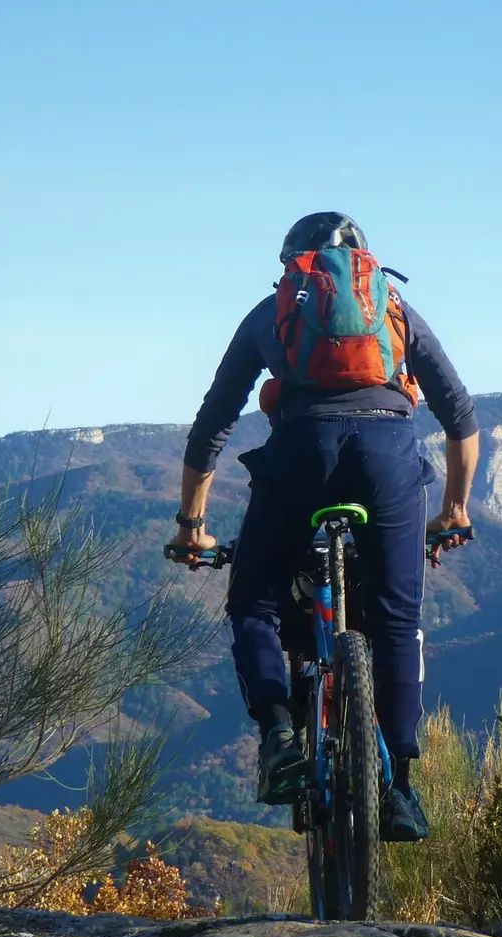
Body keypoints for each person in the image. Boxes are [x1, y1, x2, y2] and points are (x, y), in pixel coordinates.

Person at [168, 211, 480, 842]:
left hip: (300, 456)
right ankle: (399, 789)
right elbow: (461, 417)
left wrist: (191, 525)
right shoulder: (392, 306)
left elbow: (212, 426)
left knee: (254, 600)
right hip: (389, 461)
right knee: (395, 620)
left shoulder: (270, 313)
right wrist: (455, 508)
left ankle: (280, 735)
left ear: (295, 268)